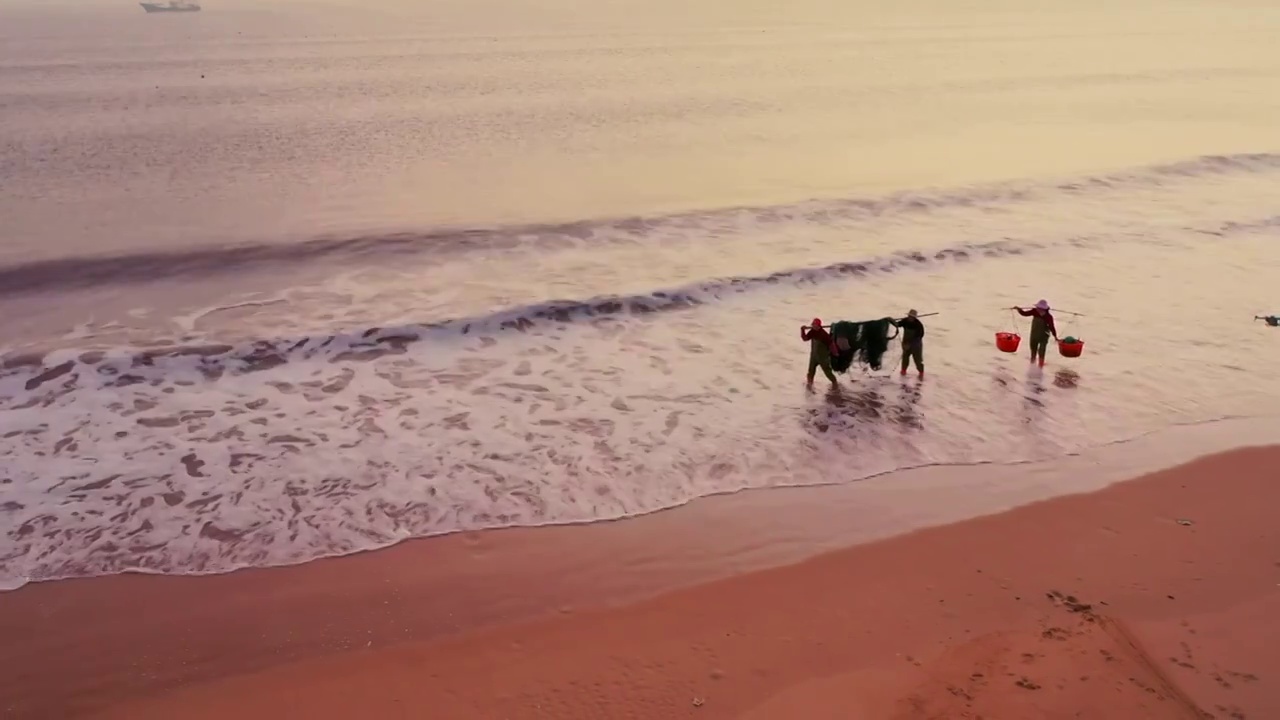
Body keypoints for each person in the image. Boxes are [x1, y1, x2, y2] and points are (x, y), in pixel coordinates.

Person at [1014, 300, 1057, 367]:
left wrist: (1055, 336)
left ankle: (1040, 367)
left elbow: (1052, 327)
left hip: (1044, 336)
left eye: (1039, 308)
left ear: (1044, 309)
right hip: (1034, 335)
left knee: (1041, 351)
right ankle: (1032, 366)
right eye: (1037, 308)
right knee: (1033, 351)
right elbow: (1024, 314)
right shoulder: (1034, 312)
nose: (1038, 309)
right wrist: (1019, 309)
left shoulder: (1048, 317)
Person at [800, 318, 839, 385]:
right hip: (814, 356)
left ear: (818, 326)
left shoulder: (824, 335)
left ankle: (835, 384)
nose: (812, 326)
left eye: (814, 325)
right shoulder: (812, 332)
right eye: (812, 324)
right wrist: (802, 330)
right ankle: (809, 385)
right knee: (810, 372)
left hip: (823, 358)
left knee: (828, 372)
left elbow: (831, 344)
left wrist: (835, 353)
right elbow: (805, 338)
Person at [892, 309, 924, 378]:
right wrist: (891, 320)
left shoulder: (918, 325)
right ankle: (903, 371)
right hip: (906, 343)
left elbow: (919, 336)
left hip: (916, 345)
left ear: (914, 318)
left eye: (912, 317)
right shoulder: (905, 321)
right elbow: (898, 324)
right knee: (905, 358)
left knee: (918, 360)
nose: (910, 318)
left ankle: (921, 373)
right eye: (909, 316)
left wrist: (909, 344)